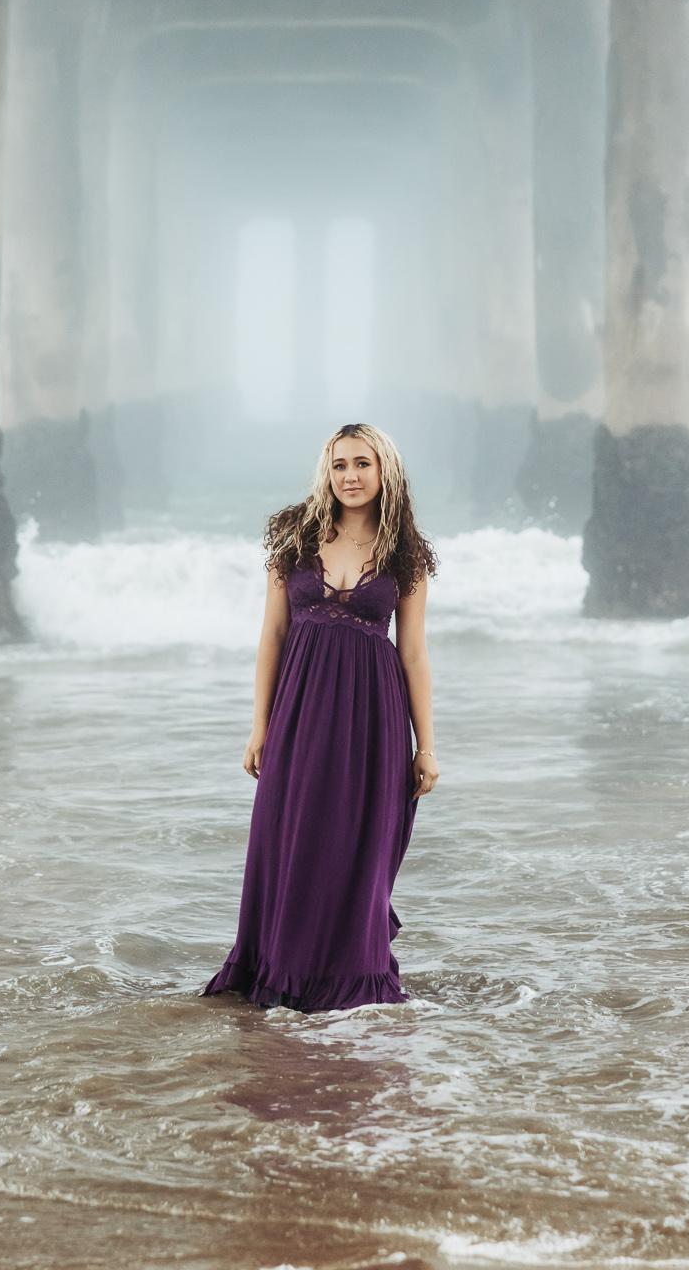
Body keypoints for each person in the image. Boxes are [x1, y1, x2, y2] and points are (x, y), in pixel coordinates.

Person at [204, 422, 438, 1012]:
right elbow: (273, 634)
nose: (350, 476)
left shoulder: (407, 554)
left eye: (362, 464)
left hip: (373, 719)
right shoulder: (294, 539)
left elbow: (412, 652)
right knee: (293, 837)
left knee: (356, 844)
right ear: (325, 473)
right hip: (300, 711)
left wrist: (426, 746)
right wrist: (260, 726)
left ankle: (347, 979)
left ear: (384, 471)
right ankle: (279, 968)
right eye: (339, 465)